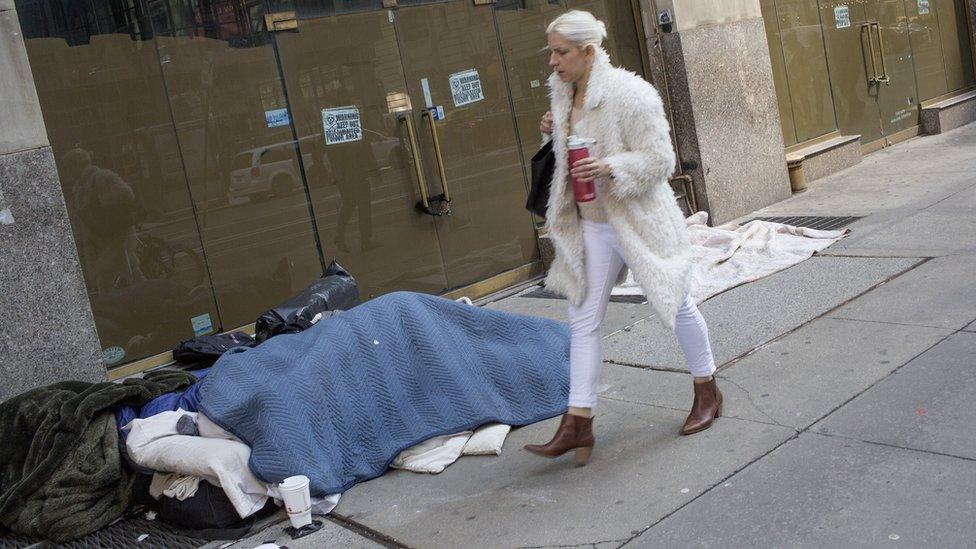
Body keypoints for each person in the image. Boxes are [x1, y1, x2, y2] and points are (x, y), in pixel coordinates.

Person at [523, 11, 721, 465]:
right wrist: (555, 132)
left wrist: (611, 166)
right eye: (551, 51)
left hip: (638, 220)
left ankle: (707, 388)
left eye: (561, 52)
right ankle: (578, 422)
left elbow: (661, 159)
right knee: (582, 319)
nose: (553, 61)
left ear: (588, 52)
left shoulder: (631, 95)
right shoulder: (562, 94)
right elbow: (567, 159)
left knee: (675, 302)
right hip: (590, 225)